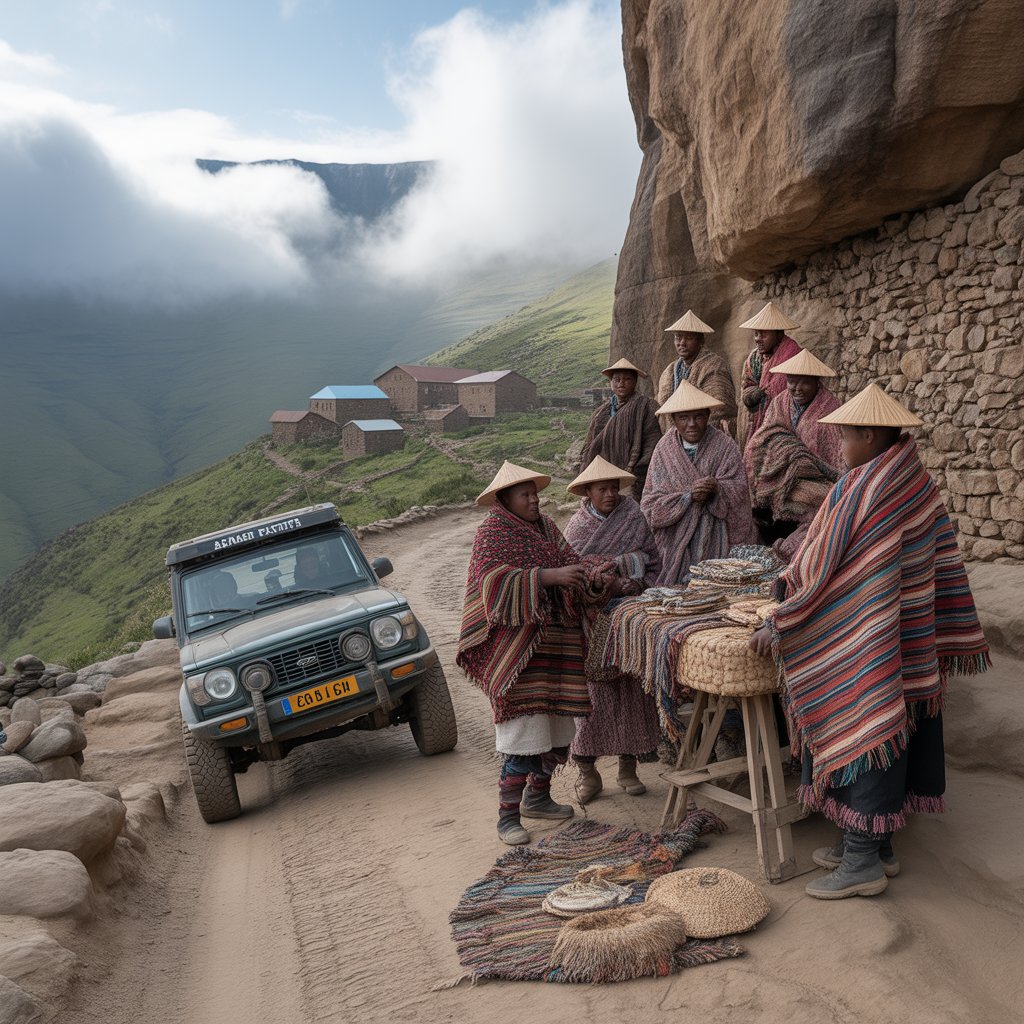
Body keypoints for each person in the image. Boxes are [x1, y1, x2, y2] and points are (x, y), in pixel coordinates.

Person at [749, 384, 990, 900]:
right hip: (904, 635)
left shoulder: (870, 489)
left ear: (870, 435)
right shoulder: (913, 480)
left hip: (869, 634)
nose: (839, 447)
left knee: (867, 721)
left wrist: (785, 614)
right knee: (890, 728)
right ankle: (876, 844)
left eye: (844, 437)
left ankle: (861, 859)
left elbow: (830, 570)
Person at [457, 461, 610, 845]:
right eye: (525, 495)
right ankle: (507, 818)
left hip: (557, 647)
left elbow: (569, 562)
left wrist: (589, 578)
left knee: (558, 733)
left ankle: (538, 798)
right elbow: (491, 585)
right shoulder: (492, 534)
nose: (534, 500)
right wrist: (547, 577)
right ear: (505, 499)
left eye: (535, 493)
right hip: (517, 654)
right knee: (523, 739)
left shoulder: (546, 528)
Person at [562, 456, 663, 803]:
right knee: (591, 699)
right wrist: (606, 579)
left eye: (613, 488)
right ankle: (588, 774)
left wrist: (633, 579)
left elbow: (652, 560)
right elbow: (571, 574)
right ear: (587, 492)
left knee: (630, 693)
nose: (609, 494)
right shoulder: (577, 528)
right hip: (590, 625)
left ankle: (628, 769)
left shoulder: (633, 515)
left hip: (630, 619)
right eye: (601, 489)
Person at [641, 380, 756, 585]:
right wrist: (687, 497)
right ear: (673, 419)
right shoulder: (664, 449)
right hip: (675, 539)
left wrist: (717, 489)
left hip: (719, 535)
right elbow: (650, 504)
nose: (692, 424)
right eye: (684, 417)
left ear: (708, 415)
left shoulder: (725, 446)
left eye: (698, 416)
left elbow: (739, 490)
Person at [743, 348, 844, 554]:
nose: (797, 388)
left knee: (818, 503)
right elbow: (764, 439)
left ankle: (800, 549)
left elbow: (837, 460)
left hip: (815, 480)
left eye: (804, 382)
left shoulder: (830, 408)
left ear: (816, 382)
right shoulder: (780, 402)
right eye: (792, 381)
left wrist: (801, 460)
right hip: (778, 476)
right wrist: (785, 451)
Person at [578, 358, 661, 498]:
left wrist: (637, 471)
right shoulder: (600, 413)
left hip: (632, 474)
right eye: (617, 379)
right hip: (602, 474)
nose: (621, 383)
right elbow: (592, 443)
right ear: (611, 383)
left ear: (635, 382)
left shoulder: (646, 407)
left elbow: (652, 442)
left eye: (627, 379)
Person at [656, 310, 737, 435]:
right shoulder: (670, 370)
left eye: (689, 338)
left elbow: (720, 409)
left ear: (701, 341)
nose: (682, 343)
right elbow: (663, 410)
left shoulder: (714, 366)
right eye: (678, 337)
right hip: (673, 436)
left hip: (707, 434)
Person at [738, 301, 802, 451]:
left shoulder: (793, 355)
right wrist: (751, 394)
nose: (758, 338)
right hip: (755, 423)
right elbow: (746, 385)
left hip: (787, 426)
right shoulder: (753, 358)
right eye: (756, 333)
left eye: (764, 334)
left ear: (779, 334)